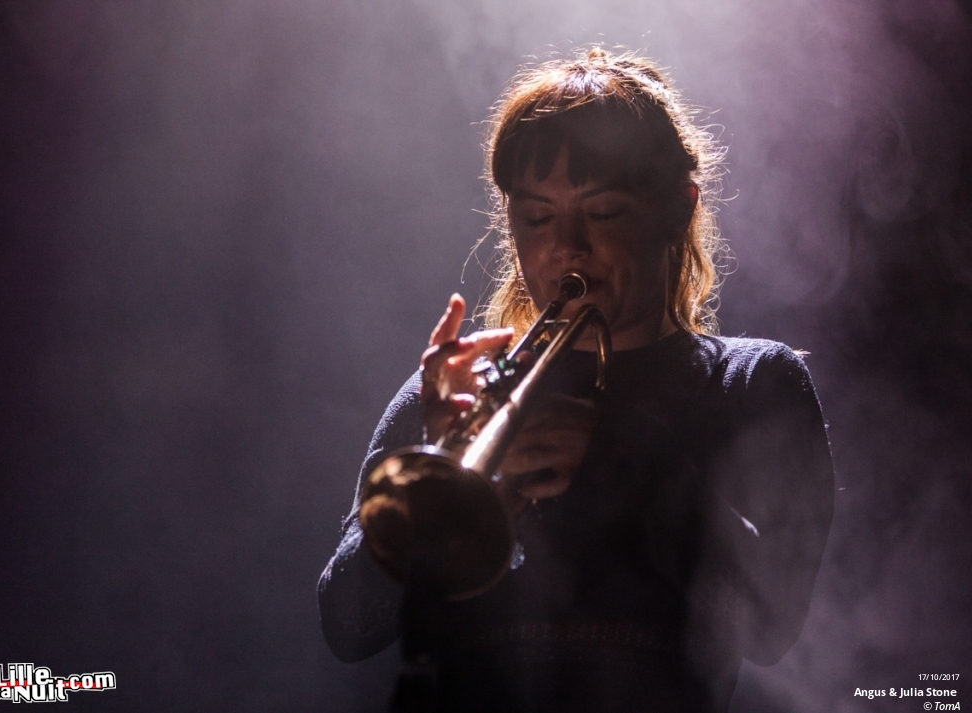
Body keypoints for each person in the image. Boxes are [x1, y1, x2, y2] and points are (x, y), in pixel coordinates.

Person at [318, 47, 834, 712]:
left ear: (678, 209)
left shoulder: (750, 381)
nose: (567, 244)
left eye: (605, 211)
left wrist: (621, 455)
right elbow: (346, 625)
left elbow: (774, 624)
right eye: (536, 216)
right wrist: (432, 470)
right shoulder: (461, 390)